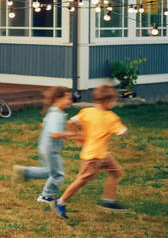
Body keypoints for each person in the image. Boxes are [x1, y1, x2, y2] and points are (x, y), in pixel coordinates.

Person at [55, 84, 129, 218]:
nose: (114, 103)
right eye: (114, 100)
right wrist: (121, 128)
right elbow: (122, 132)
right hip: (94, 157)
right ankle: (60, 202)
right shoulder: (111, 117)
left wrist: (77, 137)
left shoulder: (87, 112)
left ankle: (108, 200)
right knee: (82, 180)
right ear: (107, 101)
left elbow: (70, 122)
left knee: (116, 172)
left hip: (102, 155)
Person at [13, 86, 75, 203]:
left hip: (45, 146)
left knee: (48, 171)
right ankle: (46, 196)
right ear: (57, 99)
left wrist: (61, 133)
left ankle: (24, 172)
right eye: (67, 98)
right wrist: (68, 133)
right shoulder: (56, 115)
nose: (70, 101)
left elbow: (43, 125)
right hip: (51, 149)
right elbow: (54, 134)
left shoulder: (53, 112)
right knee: (58, 174)